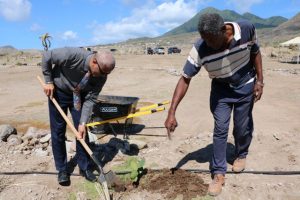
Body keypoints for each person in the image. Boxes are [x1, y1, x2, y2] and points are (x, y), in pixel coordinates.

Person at [165, 13, 263, 196]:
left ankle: (241, 154)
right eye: (204, 39)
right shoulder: (200, 48)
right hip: (221, 92)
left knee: (242, 126)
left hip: (246, 86)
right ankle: (218, 173)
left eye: (210, 39)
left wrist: (260, 81)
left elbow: (255, 52)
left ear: (224, 31)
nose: (207, 44)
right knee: (220, 128)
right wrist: (172, 112)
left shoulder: (246, 29)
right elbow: (185, 79)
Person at [41, 47, 115, 185]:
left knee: (82, 131)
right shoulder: (73, 55)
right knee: (58, 131)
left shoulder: (102, 75)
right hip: (58, 92)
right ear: (94, 62)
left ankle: (84, 167)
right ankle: (62, 169)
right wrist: (48, 81)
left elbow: (91, 98)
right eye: (101, 72)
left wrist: (82, 122)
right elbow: (47, 56)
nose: (102, 76)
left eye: (106, 74)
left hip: (78, 97)